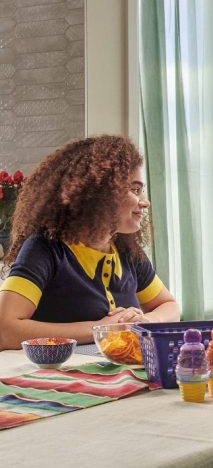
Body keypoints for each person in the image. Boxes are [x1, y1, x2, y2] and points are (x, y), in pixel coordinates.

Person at [0, 135, 180, 350]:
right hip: (58, 378)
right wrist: (101, 328)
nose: (145, 202)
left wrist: (146, 322)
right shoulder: (44, 248)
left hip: (118, 376)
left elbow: (168, 305)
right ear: (100, 193)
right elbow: (5, 330)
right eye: (135, 189)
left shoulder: (125, 250)